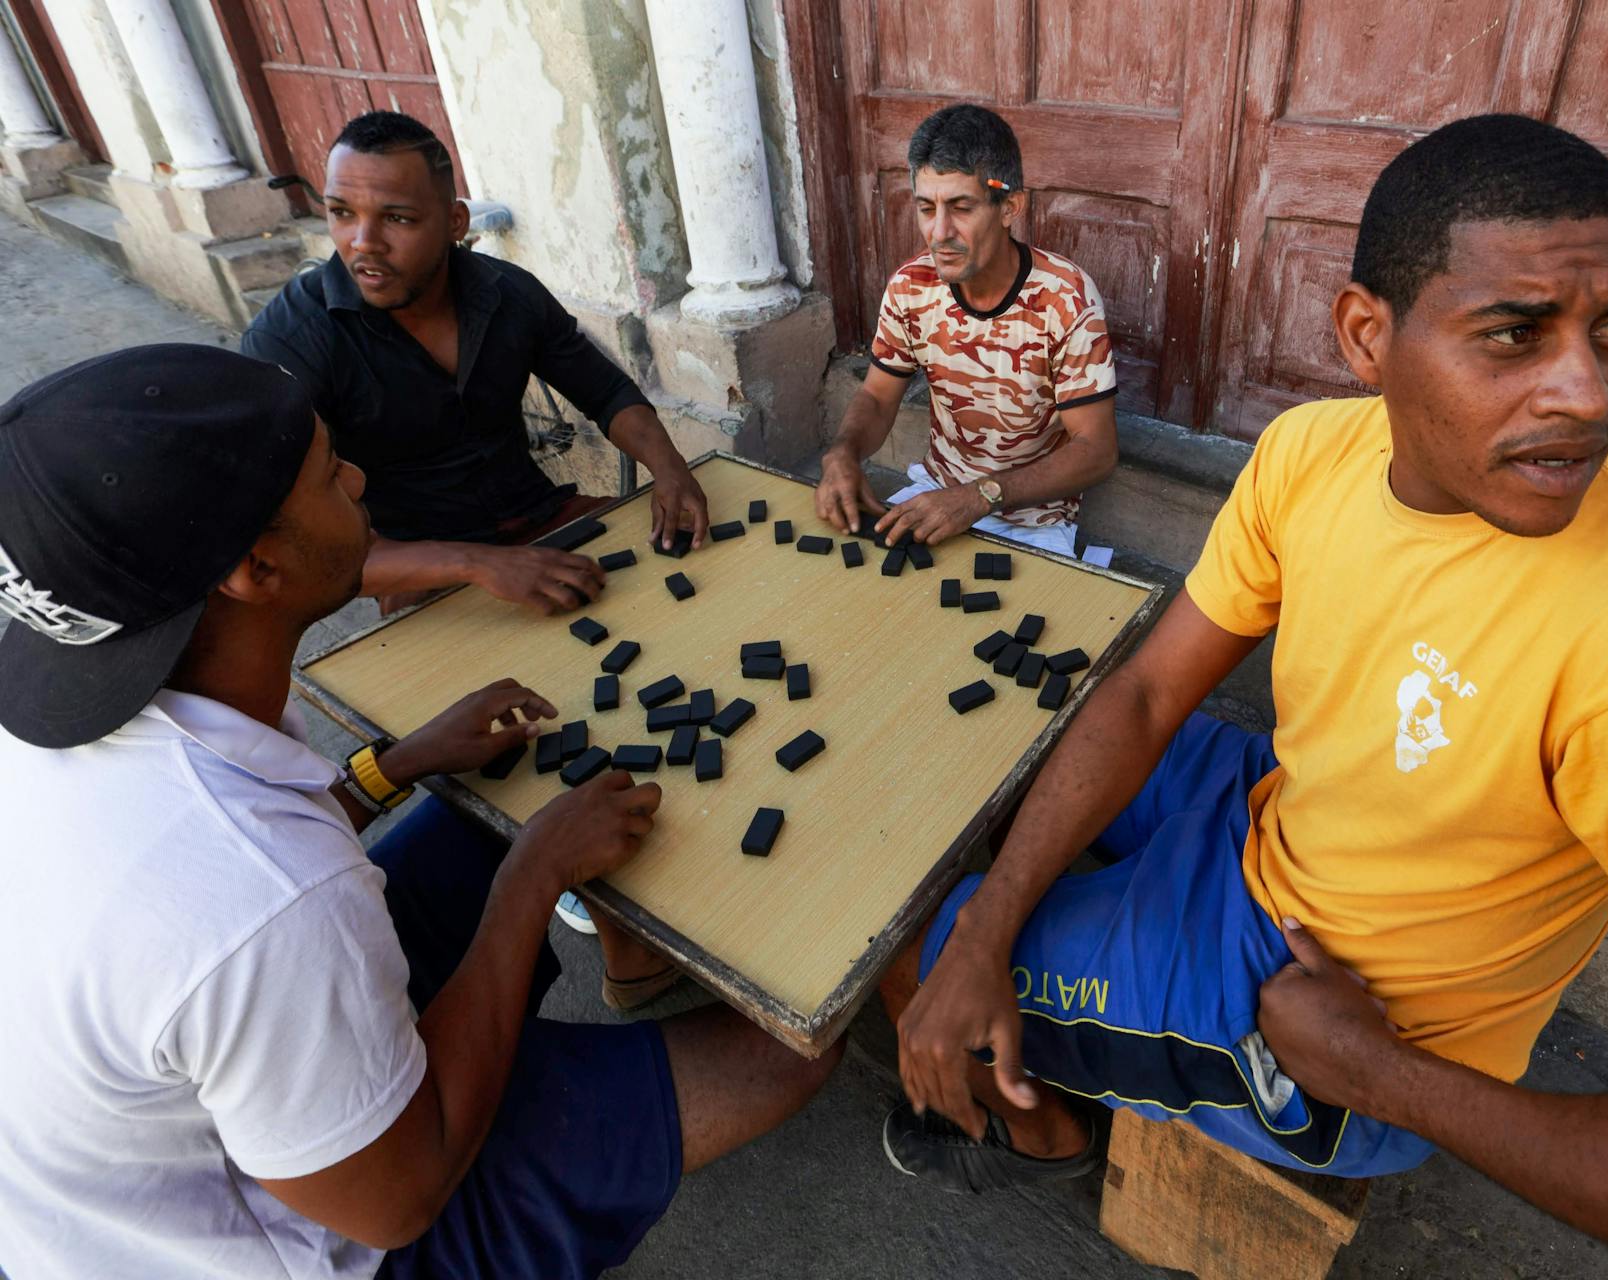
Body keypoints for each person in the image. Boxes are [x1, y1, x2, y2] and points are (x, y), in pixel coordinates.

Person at [877, 115, 1608, 1277]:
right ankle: (1062, 983)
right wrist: (1002, 914)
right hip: (1278, 812)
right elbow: (1154, 689)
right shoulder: (1313, 454)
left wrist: (1377, 1071)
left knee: (913, 959)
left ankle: (1041, 1127)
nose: (1589, 394)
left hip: (1325, 1012)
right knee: (1004, 756)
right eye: (1515, 333)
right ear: (1367, 336)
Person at [0, 346, 840, 1280]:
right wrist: (533, 881)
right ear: (256, 567)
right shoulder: (258, 899)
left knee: (480, 813)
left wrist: (396, 764)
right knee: (792, 1051)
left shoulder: (99, 714)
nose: (357, 477)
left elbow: (246, 877)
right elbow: (398, 1201)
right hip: (331, 1235)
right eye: (328, 472)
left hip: (168, 1119)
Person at [242, 110, 709, 619]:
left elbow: (606, 393)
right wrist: (476, 563)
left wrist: (669, 466)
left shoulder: (509, 293)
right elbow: (299, 555)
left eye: (398, 218)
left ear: (455, 222)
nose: (363, 242)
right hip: (421, 573)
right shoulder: (288, 343)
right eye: (341, 212)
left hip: (547, 521)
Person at [814, 103, 1119, 557]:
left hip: (1033, 520)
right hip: (935, 495)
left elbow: (1096, 449)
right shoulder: (910, 286)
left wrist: (980, 496)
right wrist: (843, 451)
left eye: (961, 207)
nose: (939, 232)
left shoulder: (1065, 297)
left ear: (1009, 206)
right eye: (926, 208)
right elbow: (877, 397)